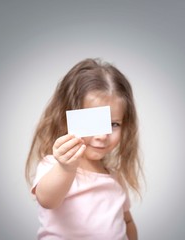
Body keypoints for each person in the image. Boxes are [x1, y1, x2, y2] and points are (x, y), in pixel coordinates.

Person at [25, 58, 143, 240]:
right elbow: (47, 200)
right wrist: (66, 167)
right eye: (94, 123)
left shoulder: (115, 178)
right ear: (66, 120)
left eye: (114, 124)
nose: (103, 136)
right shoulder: (54, 166)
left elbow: (127, 221)